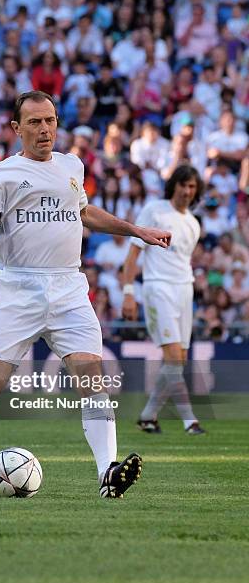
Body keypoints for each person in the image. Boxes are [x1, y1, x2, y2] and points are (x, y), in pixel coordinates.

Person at [0, 91, 171, 497]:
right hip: (18, 287)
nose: (45, 130)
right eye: (35, 122)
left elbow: (84, 212)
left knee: (92, 377)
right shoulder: (0, 174)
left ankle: (106, 474)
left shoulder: (71, 165)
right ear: (16, 128)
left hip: (68, 287)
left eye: (51, 121)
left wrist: (137, 230)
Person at [122, 164, 205, 435]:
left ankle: (148, 416)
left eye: (192, 186)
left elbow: (184, 262)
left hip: (184, 289)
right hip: (157, 288)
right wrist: (129, 292)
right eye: (183, 185)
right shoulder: (154, 210)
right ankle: (189, 420)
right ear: (174, 186)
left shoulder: (193, 224)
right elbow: (133, 255)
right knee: (171, 357)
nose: (187, 191)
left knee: (177, 360)